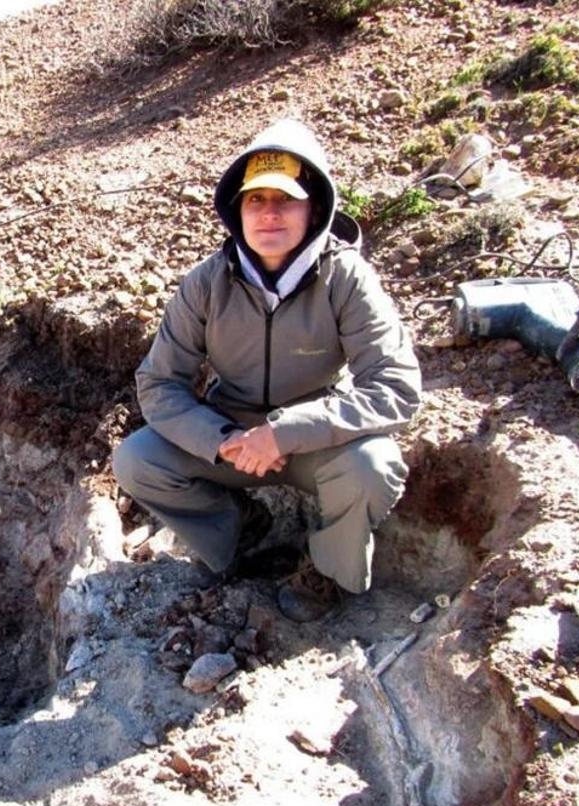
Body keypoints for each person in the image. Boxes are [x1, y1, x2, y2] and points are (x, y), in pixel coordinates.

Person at [112, 119, 421, 622]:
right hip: (232, 433)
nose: (270, 213)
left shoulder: (347, 279)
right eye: (256, 199)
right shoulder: (206, 283)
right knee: (137, 460)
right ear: (237, 210)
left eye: (286, 198)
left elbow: (396, 388)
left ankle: (326, 571)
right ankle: (242, 533)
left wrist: (286, 433)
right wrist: (224, 436)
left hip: (318, 437)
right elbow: (159, 383)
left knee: (373, 467)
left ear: (315, 207)